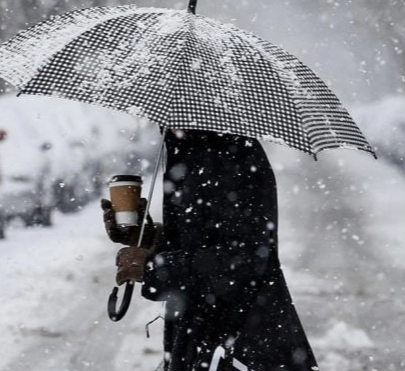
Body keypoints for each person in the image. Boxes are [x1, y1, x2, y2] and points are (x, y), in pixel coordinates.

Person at [102, 129, 319, 371]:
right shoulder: (188, 148)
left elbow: (246, 258)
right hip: (201, 334)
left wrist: (155, 267)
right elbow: (201, 238)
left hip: (238, 336)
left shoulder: (232, 155)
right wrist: (146, 236)